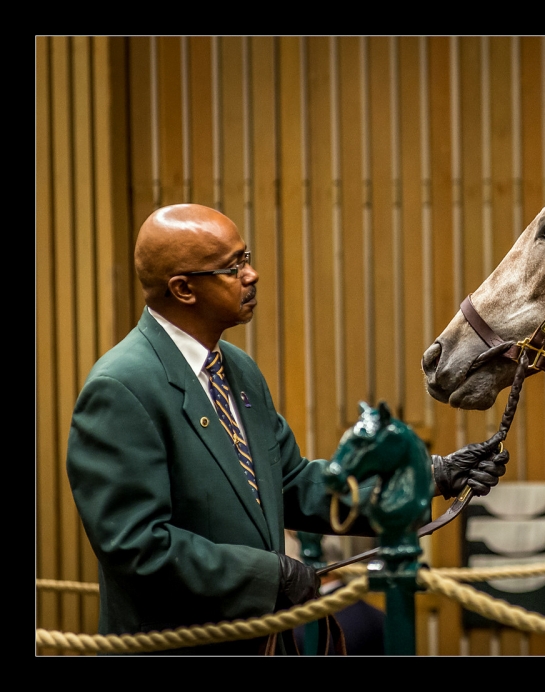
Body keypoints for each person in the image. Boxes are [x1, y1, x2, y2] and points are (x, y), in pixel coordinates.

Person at [65, 203, 508, 655]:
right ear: (183, 289)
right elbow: (136, 547)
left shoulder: (236, 369)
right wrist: (269, 575)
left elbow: (293, 484)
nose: (252, 274)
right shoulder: (122, 387)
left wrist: (425, 477)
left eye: (247, 257)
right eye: (233, 267)